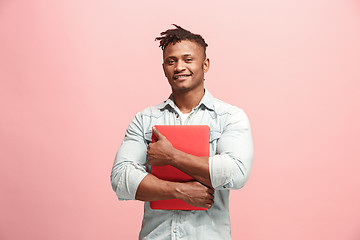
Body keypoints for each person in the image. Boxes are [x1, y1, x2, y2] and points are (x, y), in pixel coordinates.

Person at [110, 24, 254, 240]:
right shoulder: (145, 120)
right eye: (171, 61)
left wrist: (172, 157)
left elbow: (236, 172)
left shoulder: (229, 117)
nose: (179, 67)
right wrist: (180, 191)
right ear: (164, 68)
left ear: (205, 65)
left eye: (188, 59)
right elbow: (121, 178)